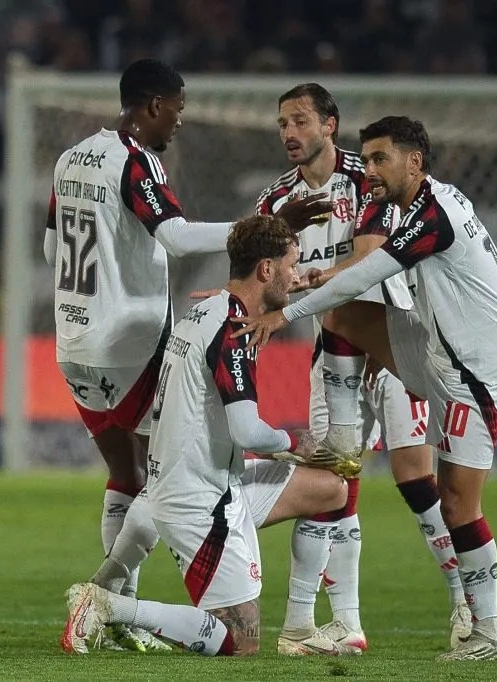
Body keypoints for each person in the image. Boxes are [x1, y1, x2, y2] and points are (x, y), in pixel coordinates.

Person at [44, 58, 330, 651]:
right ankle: (112, 603)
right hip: (128, 344)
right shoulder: (134, 159)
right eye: (177, 109)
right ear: (153, 105)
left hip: (73, 346)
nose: (179, 122)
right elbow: (173, 237)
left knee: (126, 477)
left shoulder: (70, 159)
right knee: (165, 476)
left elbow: (52, 247)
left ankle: (110, 599)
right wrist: (265, 222)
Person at [232, 116, 497, 661]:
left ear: (414, 161)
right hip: (435, 350)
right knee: (345, 316)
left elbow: (368, 273)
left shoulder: (432, 214)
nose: (368, 169)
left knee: (459, 501)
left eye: (379, 158)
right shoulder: (417, 205)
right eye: (364, 159)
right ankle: (345, 440)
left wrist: (284, 312)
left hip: (476, 374)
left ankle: (487, 630)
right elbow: (360, 279)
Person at [61, 214, 351, 657]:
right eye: (292, 265)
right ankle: (108, 605)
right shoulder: (231, 331)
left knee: (331, 491)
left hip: (202, 480)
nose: (296, 276)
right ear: (266, 270)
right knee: (240, 640)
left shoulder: (207, 311)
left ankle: (299, 627)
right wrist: (296, 444)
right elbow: (247, 430)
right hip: (198, 500)